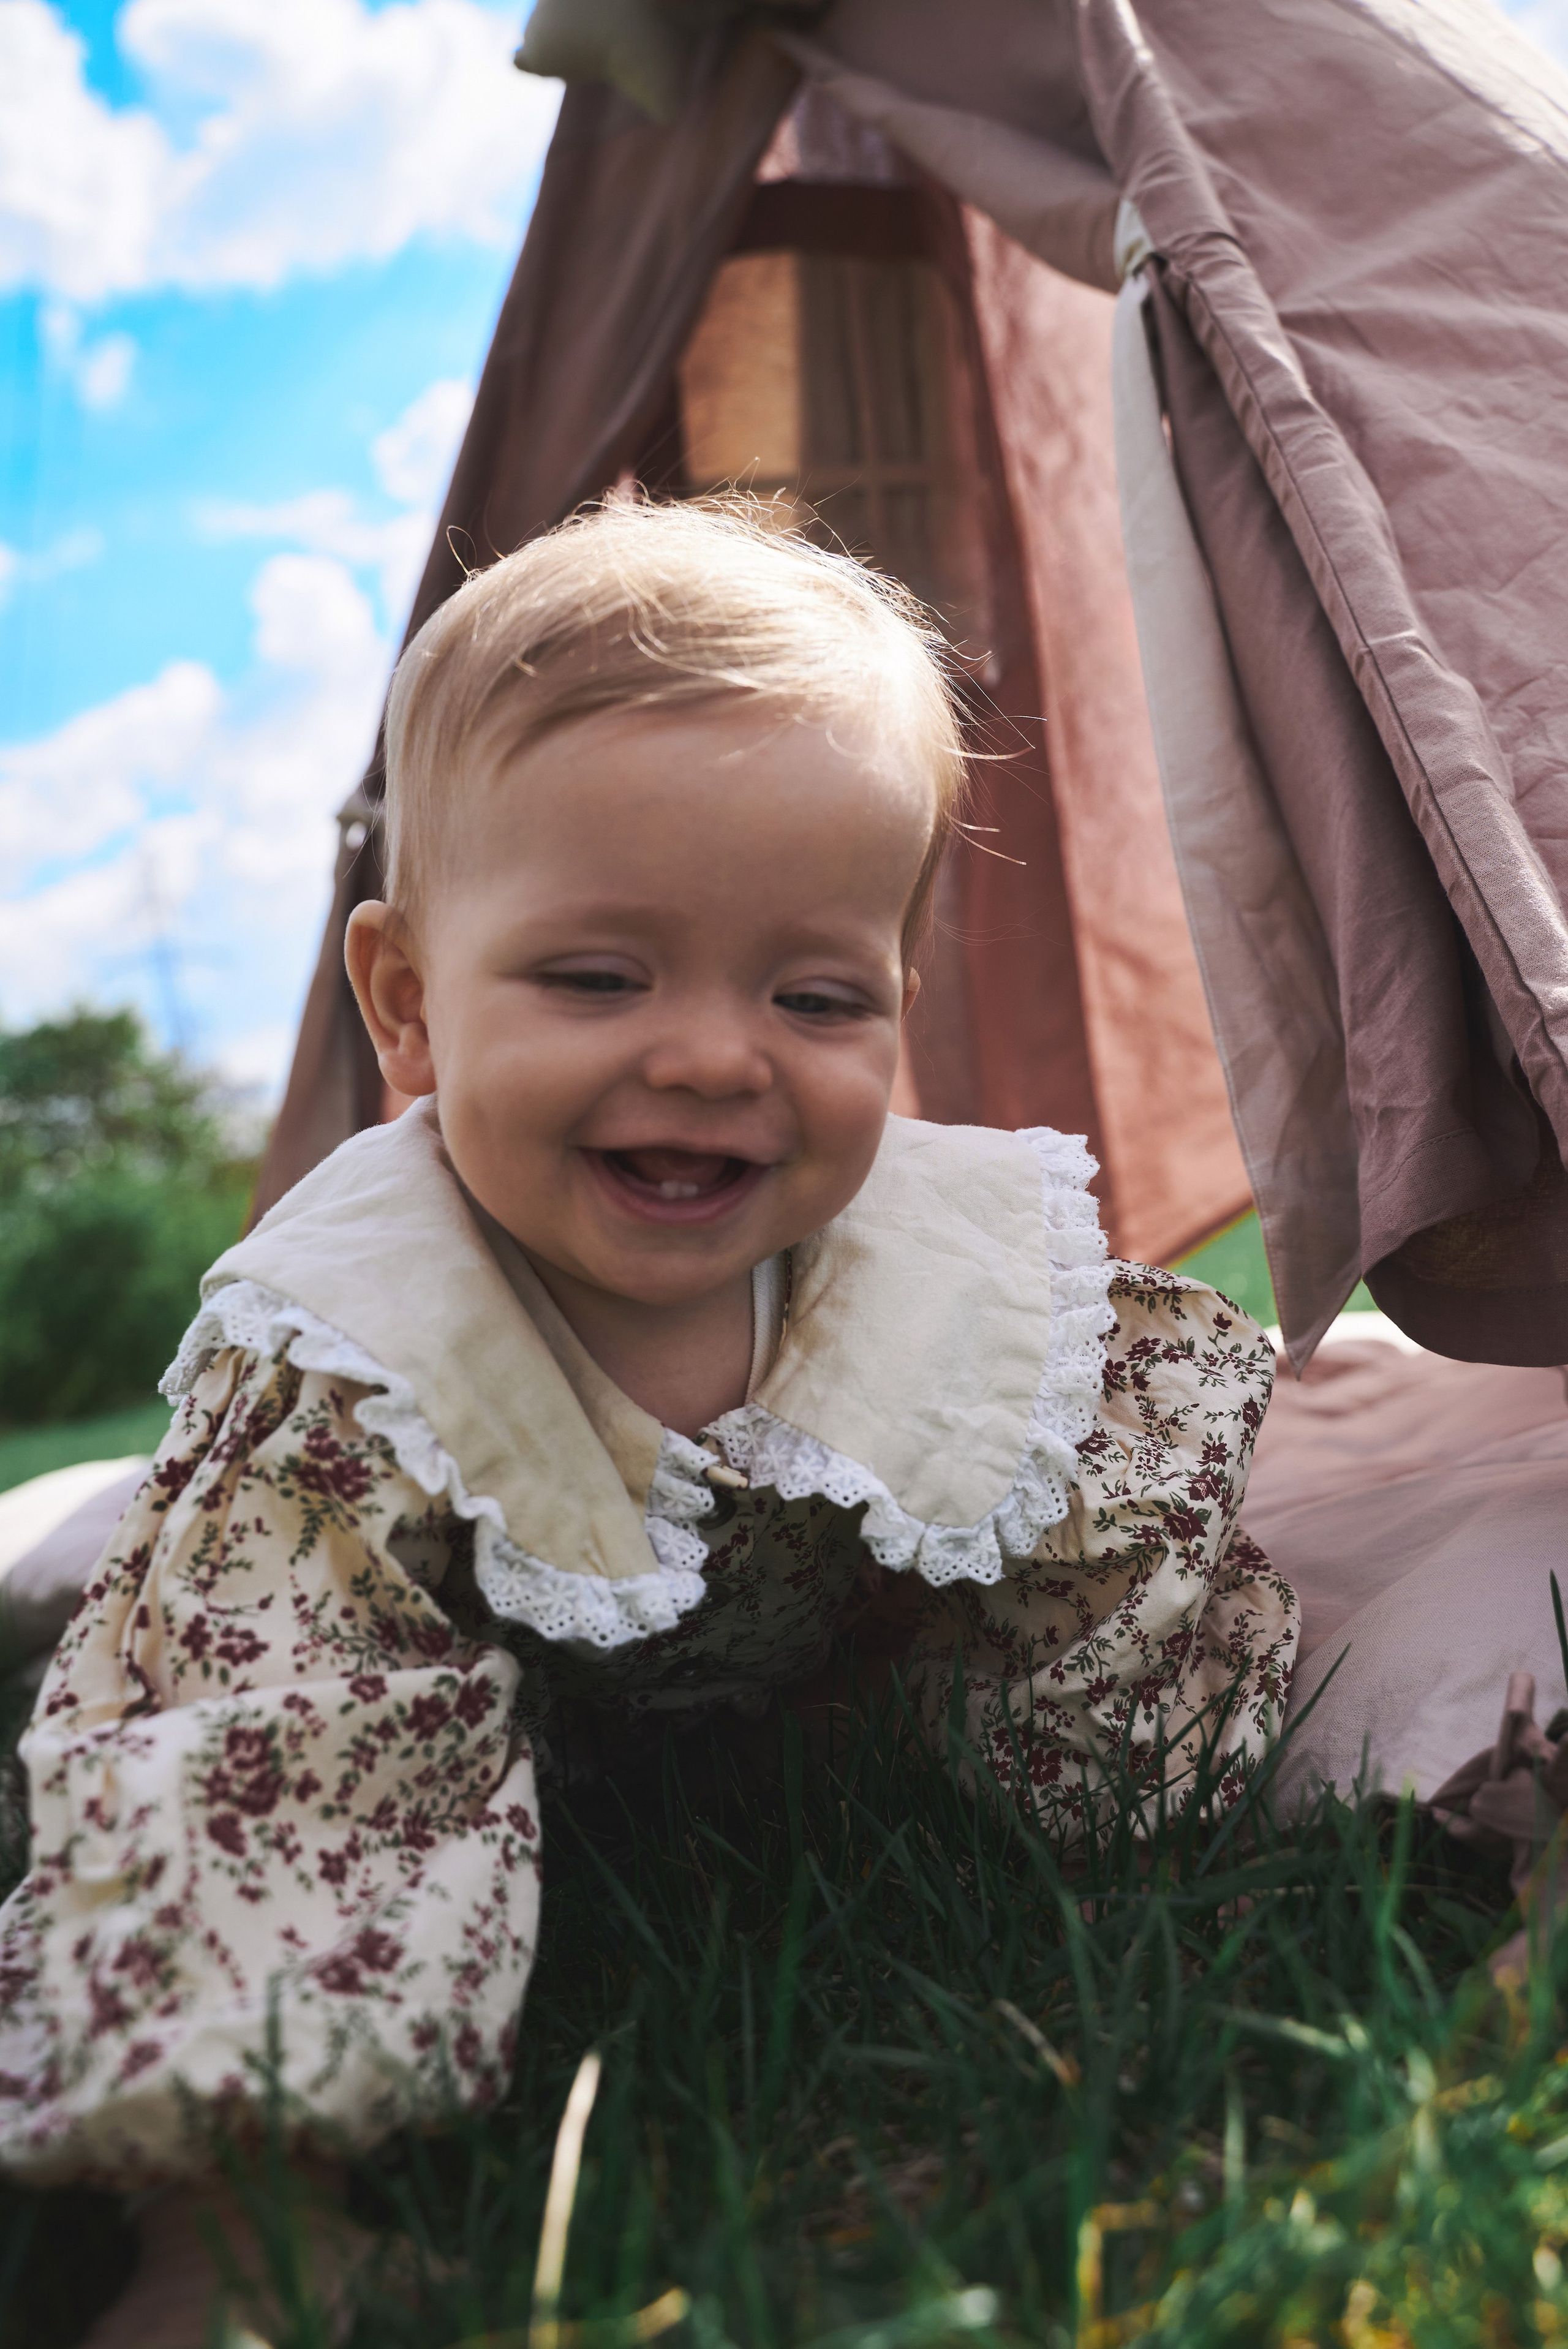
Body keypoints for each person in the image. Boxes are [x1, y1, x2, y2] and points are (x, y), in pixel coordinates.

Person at [0, 497, 1297, 2345]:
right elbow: (243, 1751)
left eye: (816, 991)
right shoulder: (359, 1362)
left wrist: (1086, 1807)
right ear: (410, 1004)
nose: (709, 1051)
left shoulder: (937, 1274)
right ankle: (228, 2219)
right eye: (599, 976)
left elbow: (1113, 1536)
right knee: (213, 1674)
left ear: (897, 1009)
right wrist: (239, 2217)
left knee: (1091, 1445)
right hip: (427, 1668)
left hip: (770, 1673)